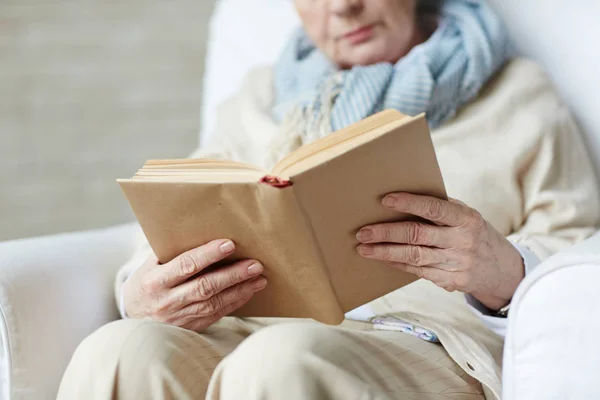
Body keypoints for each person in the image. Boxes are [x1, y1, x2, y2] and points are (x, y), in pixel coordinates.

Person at [58, 0, 600, 399]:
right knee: (117, 348)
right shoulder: (262, 95)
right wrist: (144, 291)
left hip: (425, 342)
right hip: (250, 328)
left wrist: (497, 268)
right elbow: (167, 228)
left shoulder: (518, 94)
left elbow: (578, 259)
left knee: (280, 364)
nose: (343, 7)